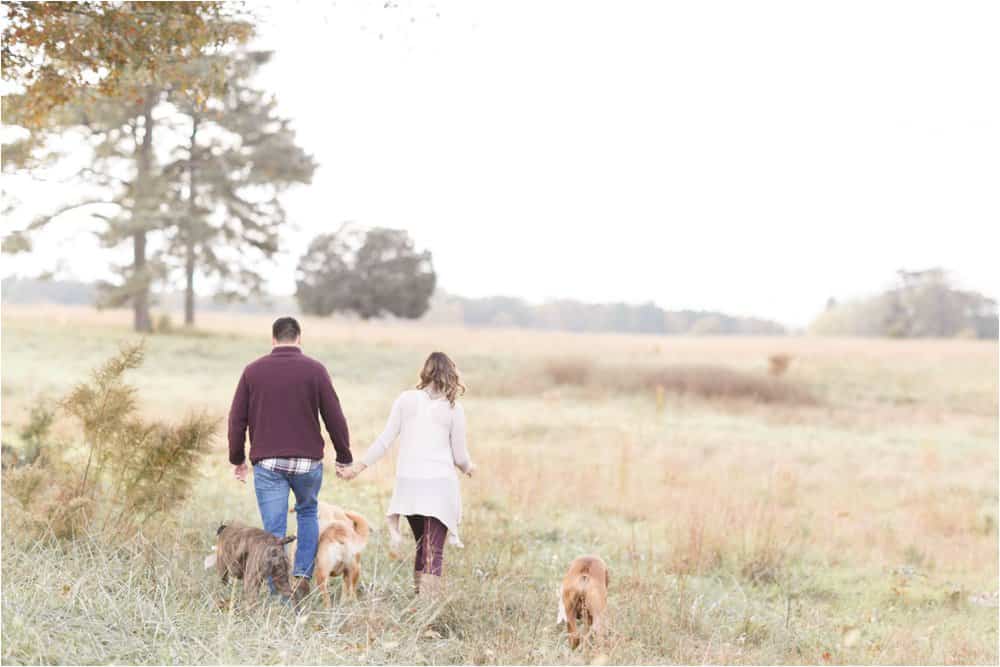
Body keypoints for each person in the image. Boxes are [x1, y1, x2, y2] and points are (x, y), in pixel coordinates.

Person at [228, 316, 353, 603]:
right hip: (307, 463)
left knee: (274, 529)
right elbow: (334, 416)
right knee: (308, 513)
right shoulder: (315, 370)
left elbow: (237, 420)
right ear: (299, 338)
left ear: (273, 339)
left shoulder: (253, 371)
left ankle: (278, 590)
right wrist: (344, 456)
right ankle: (302, 577)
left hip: (269, 463)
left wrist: (237, 458)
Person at [339, 351, 474, 597]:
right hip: (438, 486)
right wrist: (469, 468)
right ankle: (426, 610)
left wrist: (359, 466)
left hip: (409, 486)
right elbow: (460, 456)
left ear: (426, 371)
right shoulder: (454, 408)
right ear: (451, 374)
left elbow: (384, 440)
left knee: (423, 546)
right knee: (434, 550)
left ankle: (418, 602)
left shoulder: (406, 399)